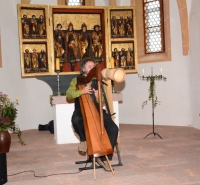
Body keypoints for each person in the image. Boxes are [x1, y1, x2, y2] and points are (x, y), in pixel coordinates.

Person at [66, 57, 118, 171]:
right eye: (89, 66)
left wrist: (99, 96)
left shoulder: (98, 81)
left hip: (98, 110)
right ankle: (84, 141)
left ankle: (104, 159)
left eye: (93, 67)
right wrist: (82, 91)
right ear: (83, 69)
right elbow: (68, 94)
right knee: (76, 120)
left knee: (113, 129)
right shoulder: (76, 81)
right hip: (81, 110)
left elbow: (102, 100)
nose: (92, 68)